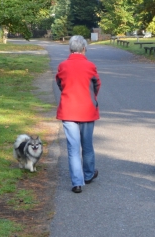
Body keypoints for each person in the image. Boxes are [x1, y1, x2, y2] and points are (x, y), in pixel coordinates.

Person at [56, 35, 101, 193]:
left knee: (73, 148)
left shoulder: (62, 66)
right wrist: (91, 98)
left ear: (70, 49)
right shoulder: (90, 66)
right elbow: (97, 84)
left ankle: (77, 182)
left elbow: (60, 83)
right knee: (87, 146)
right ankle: (88, 175)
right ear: (84, 49)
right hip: (87, 111)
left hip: (68, 110)